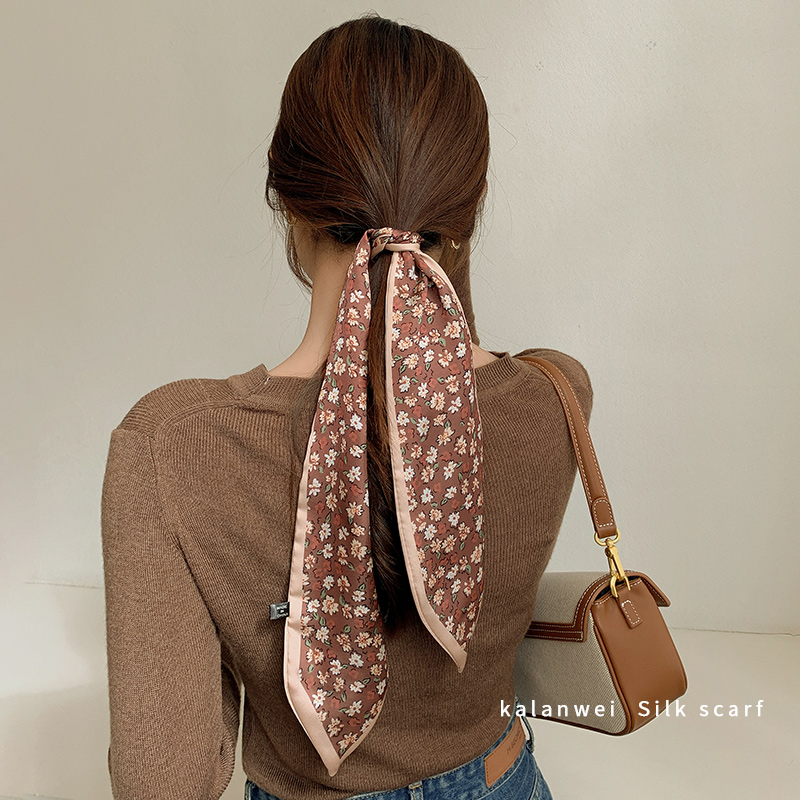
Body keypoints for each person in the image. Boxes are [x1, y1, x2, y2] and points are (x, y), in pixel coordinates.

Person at [100, 12, 593, 800]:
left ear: (287, 202)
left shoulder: (172, 447)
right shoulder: (555, 395)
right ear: (466, 214)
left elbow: (167, 780)